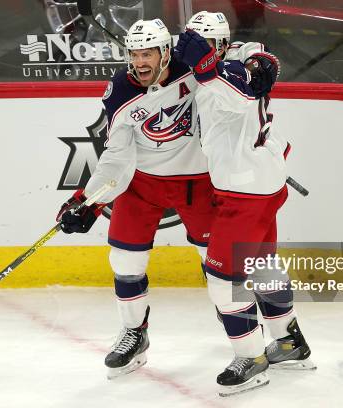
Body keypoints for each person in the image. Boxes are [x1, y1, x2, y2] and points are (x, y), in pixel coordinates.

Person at [55, 18, 214, 379]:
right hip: (142, 184)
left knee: (219, 266)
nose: (140, 62)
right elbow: (116, 156)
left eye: (148, 53)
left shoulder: (193, 71)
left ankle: (242, 328)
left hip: (197, 181)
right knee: (124, 261)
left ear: (165, 53)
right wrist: (88, 201)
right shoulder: (121, 90)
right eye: (135, 54)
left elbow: (233, 60)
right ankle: (133, 335)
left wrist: (256, 61)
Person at [175, 11, 315, 396]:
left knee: (223, 283)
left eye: (208, 47)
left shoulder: (232, 67)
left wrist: (221, 66)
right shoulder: (210, 65)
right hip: (256, 184)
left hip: (246, 191)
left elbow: (246, 85)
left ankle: (251, 360)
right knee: (262, 265)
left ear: (220, 44)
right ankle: (289, 341)